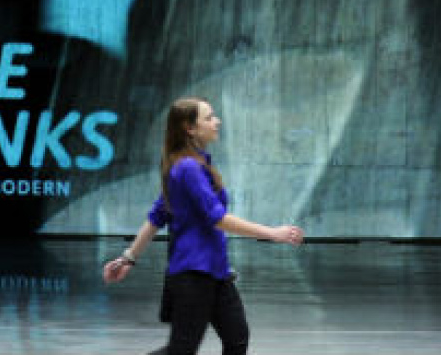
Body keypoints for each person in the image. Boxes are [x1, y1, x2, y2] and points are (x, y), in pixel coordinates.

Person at [103, 96, 304, 355]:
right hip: (193, 274)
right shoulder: (187, 168)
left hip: (216, 272)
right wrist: (273, 233)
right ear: (190, 128)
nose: (216, 121)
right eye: (209, 118)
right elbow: (217, 218)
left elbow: (157, 216)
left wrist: (128, 258)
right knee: (182, 350)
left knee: (237, 338)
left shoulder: (193, 164)